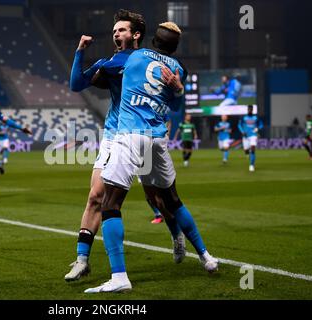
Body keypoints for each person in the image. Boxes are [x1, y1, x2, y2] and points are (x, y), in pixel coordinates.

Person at [85, 21, 218, 294]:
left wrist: (88, 59)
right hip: (158, 139)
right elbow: (176, 103)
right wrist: (178, 88)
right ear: (174, 46)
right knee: (171, 199)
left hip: (130, 135)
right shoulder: (178, 69)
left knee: (110, 203)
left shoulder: (134, 56)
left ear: (153, 41)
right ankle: (206, 257)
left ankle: (119, 276)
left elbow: (89, 80)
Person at [66, 9, 185, 282]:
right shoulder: (111, 62)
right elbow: (76, 84)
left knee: (155, 197)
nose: (116, 33)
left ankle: (176, 233)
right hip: (114, 136)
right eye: (114, 30)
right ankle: (82, 259)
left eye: (121, 29)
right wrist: (79, 52)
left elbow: (171, 98)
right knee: (96, 195)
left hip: (142, 135)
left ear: (136, 34)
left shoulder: (148, 61)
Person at [238, 105, 263, 172]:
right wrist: (242, 131)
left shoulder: (256, 117)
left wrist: (257, 128)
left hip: (253, 135)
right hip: (245, 136)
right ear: (247, 110)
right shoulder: (243, 117)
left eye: (251, 109)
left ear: (252, 110)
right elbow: (239, 125)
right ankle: (247, 153)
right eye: (249, 109)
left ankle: (251, 165)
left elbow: (261, 124)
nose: (250, 110)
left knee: (252, 148)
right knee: (246, 150)